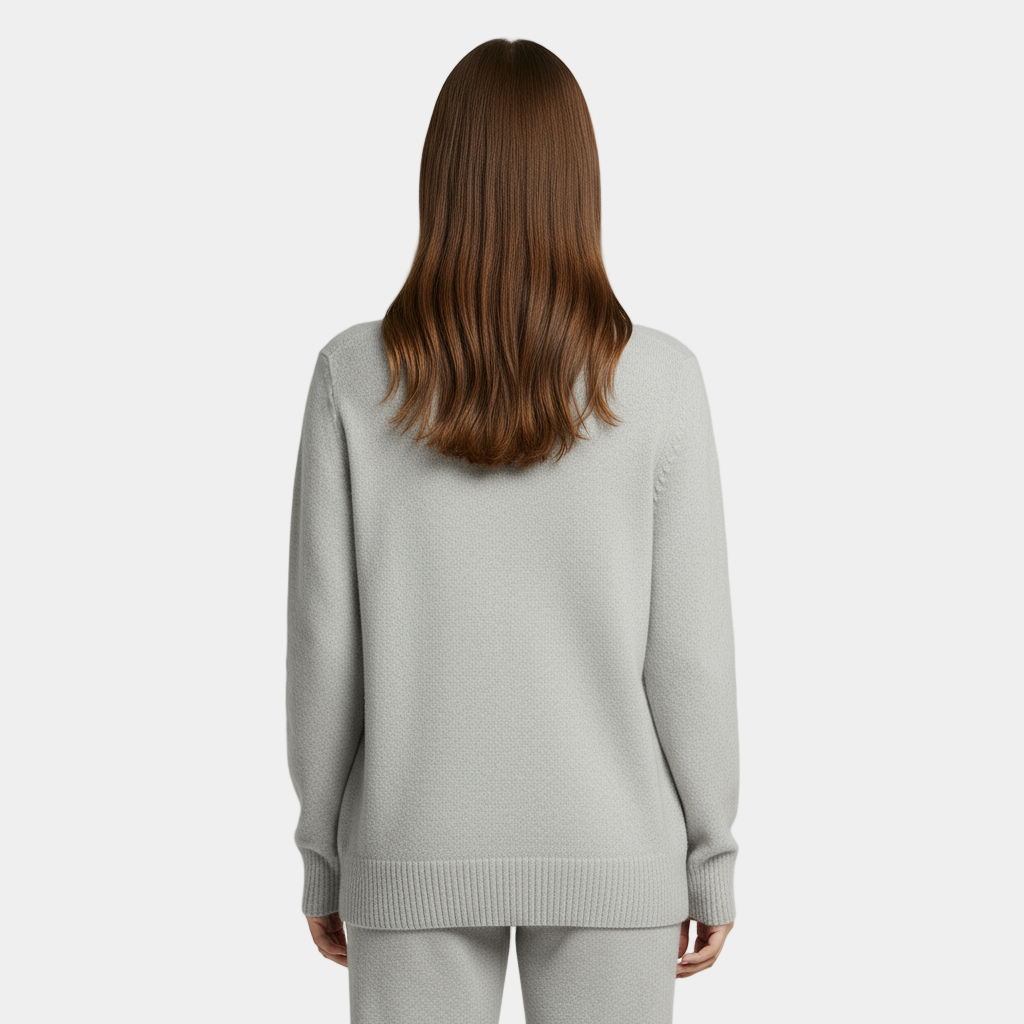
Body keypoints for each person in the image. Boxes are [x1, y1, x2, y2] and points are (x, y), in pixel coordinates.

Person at [286, 37, 741, 1024]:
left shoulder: (352, 377)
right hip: (615, 852)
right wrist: (712, 852)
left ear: (439, 181)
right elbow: (690, 658)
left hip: (409, 843)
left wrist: (323, 849)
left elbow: (325, 647)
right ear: (580, 185)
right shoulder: (661, 381)